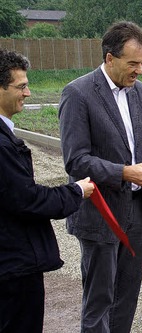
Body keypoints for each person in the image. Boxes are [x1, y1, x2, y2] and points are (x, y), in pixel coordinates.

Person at [58, 22, 142, 333]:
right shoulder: (77, 94)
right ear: (109, 58)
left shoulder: (141, 94)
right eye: (133, 63)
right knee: (99, 300)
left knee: (126, 299)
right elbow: (76, 161)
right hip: (99, 213)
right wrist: (123, 172)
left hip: (135, 213)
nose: (140, 70)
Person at [0, 49, 94, 333]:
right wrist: (76, 191)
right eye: (21, 86)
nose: (27, 93)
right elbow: (27, 199)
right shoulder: (2, 146)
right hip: (13, 266)